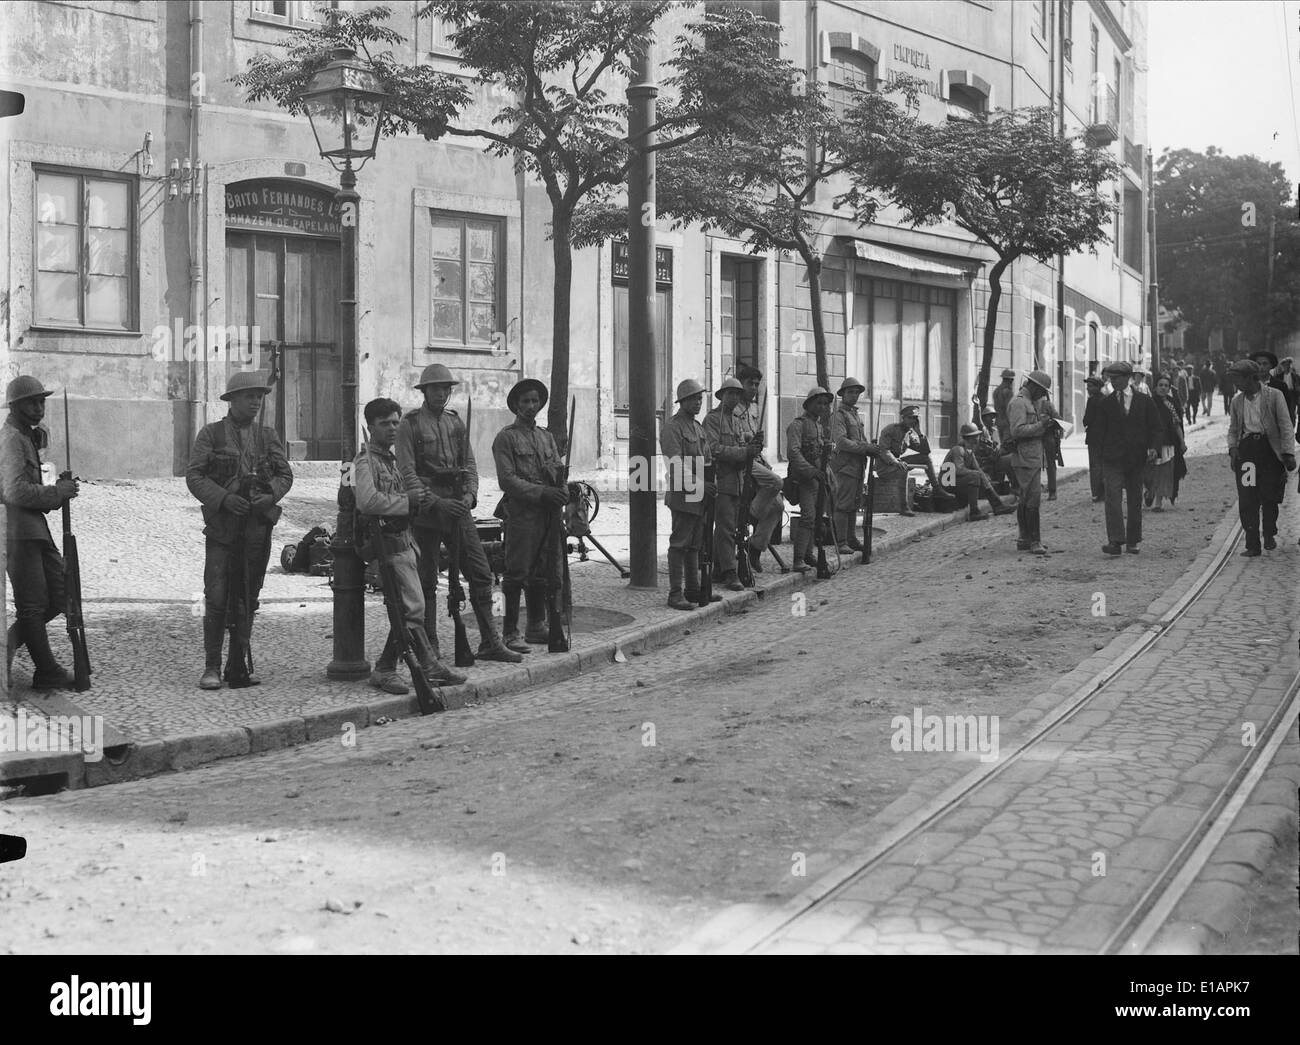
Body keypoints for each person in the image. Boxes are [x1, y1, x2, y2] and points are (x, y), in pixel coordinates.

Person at [396, 364, 521, 664]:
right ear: (424, 391)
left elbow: (469, 463)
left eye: (445, 388)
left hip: (458, 510)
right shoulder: (409, 425)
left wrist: (470, 495)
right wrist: (436, 503)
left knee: (480, 573)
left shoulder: (456, 423)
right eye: (435, 388)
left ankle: (491, 640)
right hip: (426, 512)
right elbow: (407, 472)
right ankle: (430, 647)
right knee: (425, 581)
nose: (441, 393)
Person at [185, 371, 294, 690]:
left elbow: (285, 474)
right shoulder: (211, 434)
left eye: (259, 396)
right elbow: (194, 476)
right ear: (232, 400)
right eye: (249, 396)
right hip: (223, 529)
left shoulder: (268, 435)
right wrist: (224, 499)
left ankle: (238, 665)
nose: (256, 401)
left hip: (257, 529)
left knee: (248, 596)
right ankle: (211, 667)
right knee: (217, 596)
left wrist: (269, 495)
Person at [356, 398, 465, 692]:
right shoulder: (364, 461)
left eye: (395, 422)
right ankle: (388, 668)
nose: (392, 428)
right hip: (385, 546)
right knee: (410, 608)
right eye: (384, 424)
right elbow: (368, 501)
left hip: (405, 543)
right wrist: (407, 502)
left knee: (408, 609)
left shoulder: (390, 461)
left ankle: (424, 665)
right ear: (370, 427)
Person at [1, 376, 80, 689]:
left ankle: (7, 644)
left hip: (34, 531)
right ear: (16, 406)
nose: (39, 407)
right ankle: (46, 671)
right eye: (32, 402)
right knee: (32, 605)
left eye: (42, 401)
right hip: (17, 534)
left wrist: (58, 491)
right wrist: (56, 492)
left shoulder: (26, 437)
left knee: (61, 596)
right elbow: (13, 490)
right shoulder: (10, 439)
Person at [492, 379, 568, 648]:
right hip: (521, 515)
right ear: (515, 404)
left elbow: (557, 469)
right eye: (525, 401)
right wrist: (541, 493)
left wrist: (563, 491)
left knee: (542, 572)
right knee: (515, 573)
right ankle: (509, 632)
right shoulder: (506, 437)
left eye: (535, 401)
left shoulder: (546, 437)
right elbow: (507, 480)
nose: (530, 406)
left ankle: (536, 626)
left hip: (547, 515)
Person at [1089, 361, 1161, 556]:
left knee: (1135, 499)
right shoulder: (1105, 403)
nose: (1113, 382)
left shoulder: (1144, 401)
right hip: (1112, 459)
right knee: (1112, 499)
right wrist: (1101, 456)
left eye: (1116, 378)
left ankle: (1133, 541)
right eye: (1111, 379)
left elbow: (1155, 427)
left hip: (1136, 459)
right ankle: (1115, 541)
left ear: (1127, 378)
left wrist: (1153, 448)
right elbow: (1098, 432)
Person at [1226, 360, 1297, 556]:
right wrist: (1233, 448)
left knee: (1269, 496)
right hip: (1247, 454)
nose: (1236, 383)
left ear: (1250, 378)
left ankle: (1269, 532)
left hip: (1269, 452)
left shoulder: (1274, 396)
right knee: (1247, 498)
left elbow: (1285, 425)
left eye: (1238, 379)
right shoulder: (1236, 402)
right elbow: (1233, 429)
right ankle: (1252, 544)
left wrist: (1288, 453)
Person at [659, 378, 717, 609]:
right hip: (683, 494)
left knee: (695, 544)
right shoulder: (672, 428)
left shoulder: (698, 427)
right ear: (682, 401)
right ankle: (675, 594)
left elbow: (708, 459)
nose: (697, 403)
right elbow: (675, 465)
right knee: (679, 544)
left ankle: (694, 590)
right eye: (693, 399)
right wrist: (700, 485)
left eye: (700, 399)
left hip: (700, 495)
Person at [702, 377, 751, 592]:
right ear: (722, 395)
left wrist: (751, 446)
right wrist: (743, 453)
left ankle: (719, 569)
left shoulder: (739, 420)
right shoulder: (713, 419)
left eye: (738, 394)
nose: (735, 397)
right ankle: (730, 572)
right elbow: (713, 448)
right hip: (720, 479)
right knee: (726, 527)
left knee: (732, 526)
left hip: (738, 480)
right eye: (730, 393)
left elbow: (742, 445)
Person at [735, 365, 785, 570]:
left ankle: (754, 548)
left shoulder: (755, 408)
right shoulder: (734, 408)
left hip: (756, 460)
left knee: (778, 507)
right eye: (750, 384)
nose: (754, 388)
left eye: (757, 384)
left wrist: (759, 441)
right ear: (741, 384)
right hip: (741, 462)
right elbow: (735, 440)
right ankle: (751, 515)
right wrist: (748, 440)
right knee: (776, 482)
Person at [829, 377, 881, 554]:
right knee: (843, 505)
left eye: (857, 392)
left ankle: (851, 539)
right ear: (843, 394)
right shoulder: (838, 416)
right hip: (844, 467)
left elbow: (860, 439)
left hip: (858, 467)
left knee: (853, 504)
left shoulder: (855, 415)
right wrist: (866, 448)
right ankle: (841, 542)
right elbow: (841, 442)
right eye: (851, 392)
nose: (855, 395)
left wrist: (871, 447)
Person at [1005, 370, 1055, 554]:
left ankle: (1024, 539)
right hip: (1025, 457)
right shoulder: (1019, 403)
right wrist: (1041, 425)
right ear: (1033, 387)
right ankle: (1034, 541)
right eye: (1042, 391)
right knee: (1032, 499)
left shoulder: (1028, 402)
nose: (1043, 395)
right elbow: (1017, 431)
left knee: (1026, 499)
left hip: (1031, 456)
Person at [785, 387, 834, 572]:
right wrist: (811, 471)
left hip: (818, 478)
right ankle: (798, 559)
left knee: (816, 516)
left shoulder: (819, 426)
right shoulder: (798, 424)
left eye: (825, 403)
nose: (822, 407)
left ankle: (808, 554)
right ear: (809, 404)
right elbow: (793, 453)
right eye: (818, 403)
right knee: (807, 517)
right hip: (803, 478)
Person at [944, 423, 1015, 522]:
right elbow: (959, 470)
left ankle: (998, 505)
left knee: (980, 475)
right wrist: (977, 474)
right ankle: (974, 512)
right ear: (970, 438)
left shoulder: (968, 450)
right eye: (976, 436)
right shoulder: (958, 450)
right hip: (948, 484)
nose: (978, 438)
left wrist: (984, 478)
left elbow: (978, 470)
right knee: (975, 476)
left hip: (956, 481)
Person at [877, 405, 936, 516]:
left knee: (925, 459)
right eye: (909, 418)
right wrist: (896, 462)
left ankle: (937, 488)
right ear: (903, 418)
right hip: (884, 466)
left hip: (898, 463)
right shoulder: (890, 429)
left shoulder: (909, 434)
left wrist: (919, 433)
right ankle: (903, 507)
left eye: (915, 418)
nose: (912, 421)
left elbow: (925, 451)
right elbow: (884, 451)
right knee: (903, 469)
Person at [1144, 373, 1186, 511]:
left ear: (1169, 388)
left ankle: (1158, 502)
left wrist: (1182, 442)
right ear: (1155, 387)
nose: (1163, 388)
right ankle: (1149, 492)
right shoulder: (1149, 403)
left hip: (1168, 443)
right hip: (1152, 443)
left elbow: (1176, 424)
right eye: (1160, 385)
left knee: (1164, 472)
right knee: (1151, 471)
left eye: (1166, 386)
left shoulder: (1171, 404)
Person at [1082, 374, 1106, 502]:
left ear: (1097, 387)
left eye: (1090, 386)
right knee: (1103, 464)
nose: (1087, 389)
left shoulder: (1092, 400)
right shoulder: (1106, 399)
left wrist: (1086, 422)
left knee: (1095, 465)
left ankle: (1096, 493)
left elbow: (1086, 420)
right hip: (1104, 437)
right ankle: (1104, 492)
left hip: (1094, 437)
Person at [992, 368, 1017, 443]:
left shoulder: (996, 391)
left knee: (1003, 443)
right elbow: (1009, 409)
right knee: (1008, 445)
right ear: (1010, 380)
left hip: (999, 421)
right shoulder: (1008, 392)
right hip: (1007, 423)